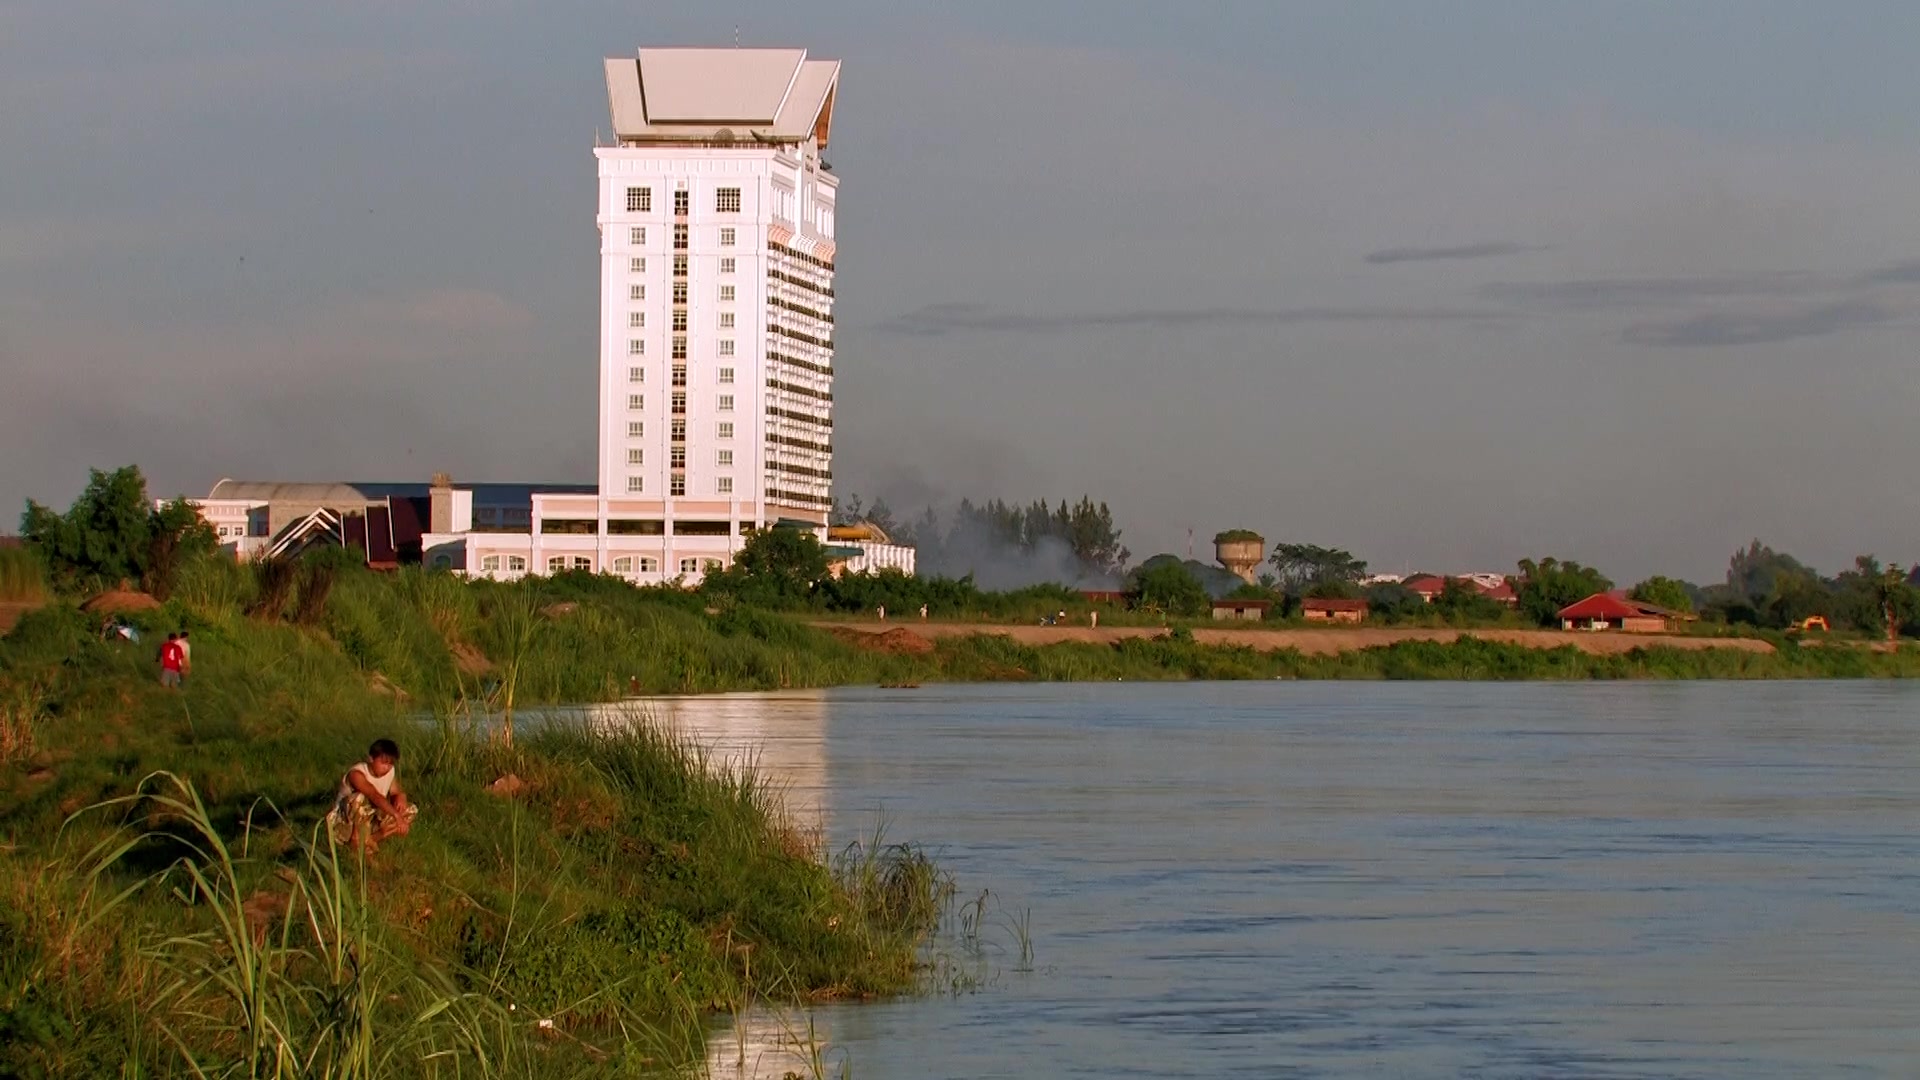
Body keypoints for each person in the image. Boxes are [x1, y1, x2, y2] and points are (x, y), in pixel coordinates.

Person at [327, 739, 417, 852]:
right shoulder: (356, 774)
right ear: (371, 759)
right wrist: (396, 816)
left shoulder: (390, 772)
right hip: (345, 822)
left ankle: (371, 839)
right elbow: (373, 795)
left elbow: (395, 791)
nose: (387, 768)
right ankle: (356, 841)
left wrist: (401, 797)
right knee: (359, 798)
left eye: (390, 764)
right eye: (383, 763)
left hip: (370, 818)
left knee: (410, 810)